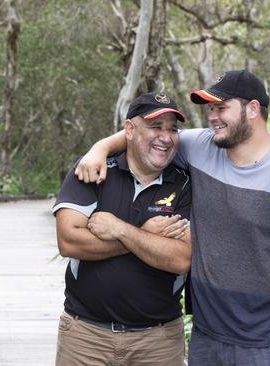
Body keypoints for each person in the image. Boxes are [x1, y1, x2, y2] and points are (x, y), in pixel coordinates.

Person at [74, 70, 270, 366]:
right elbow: (145, 132)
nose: (212, 117)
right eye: (210, 109)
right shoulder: (201, 147)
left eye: (221, 108)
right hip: (206, 339)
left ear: (252, 109)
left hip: (266, 344)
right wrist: (101, 148)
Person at [53, 92, 193, 365]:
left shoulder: (184, 183)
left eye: (172, 129)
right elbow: (70, 242)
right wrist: (148, 236)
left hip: (158, 342)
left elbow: (180, 258)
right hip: (86, 336)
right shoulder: (94, 168)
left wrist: (122, 230)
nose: (166, 137)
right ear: (129, 129)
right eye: (155, 126)